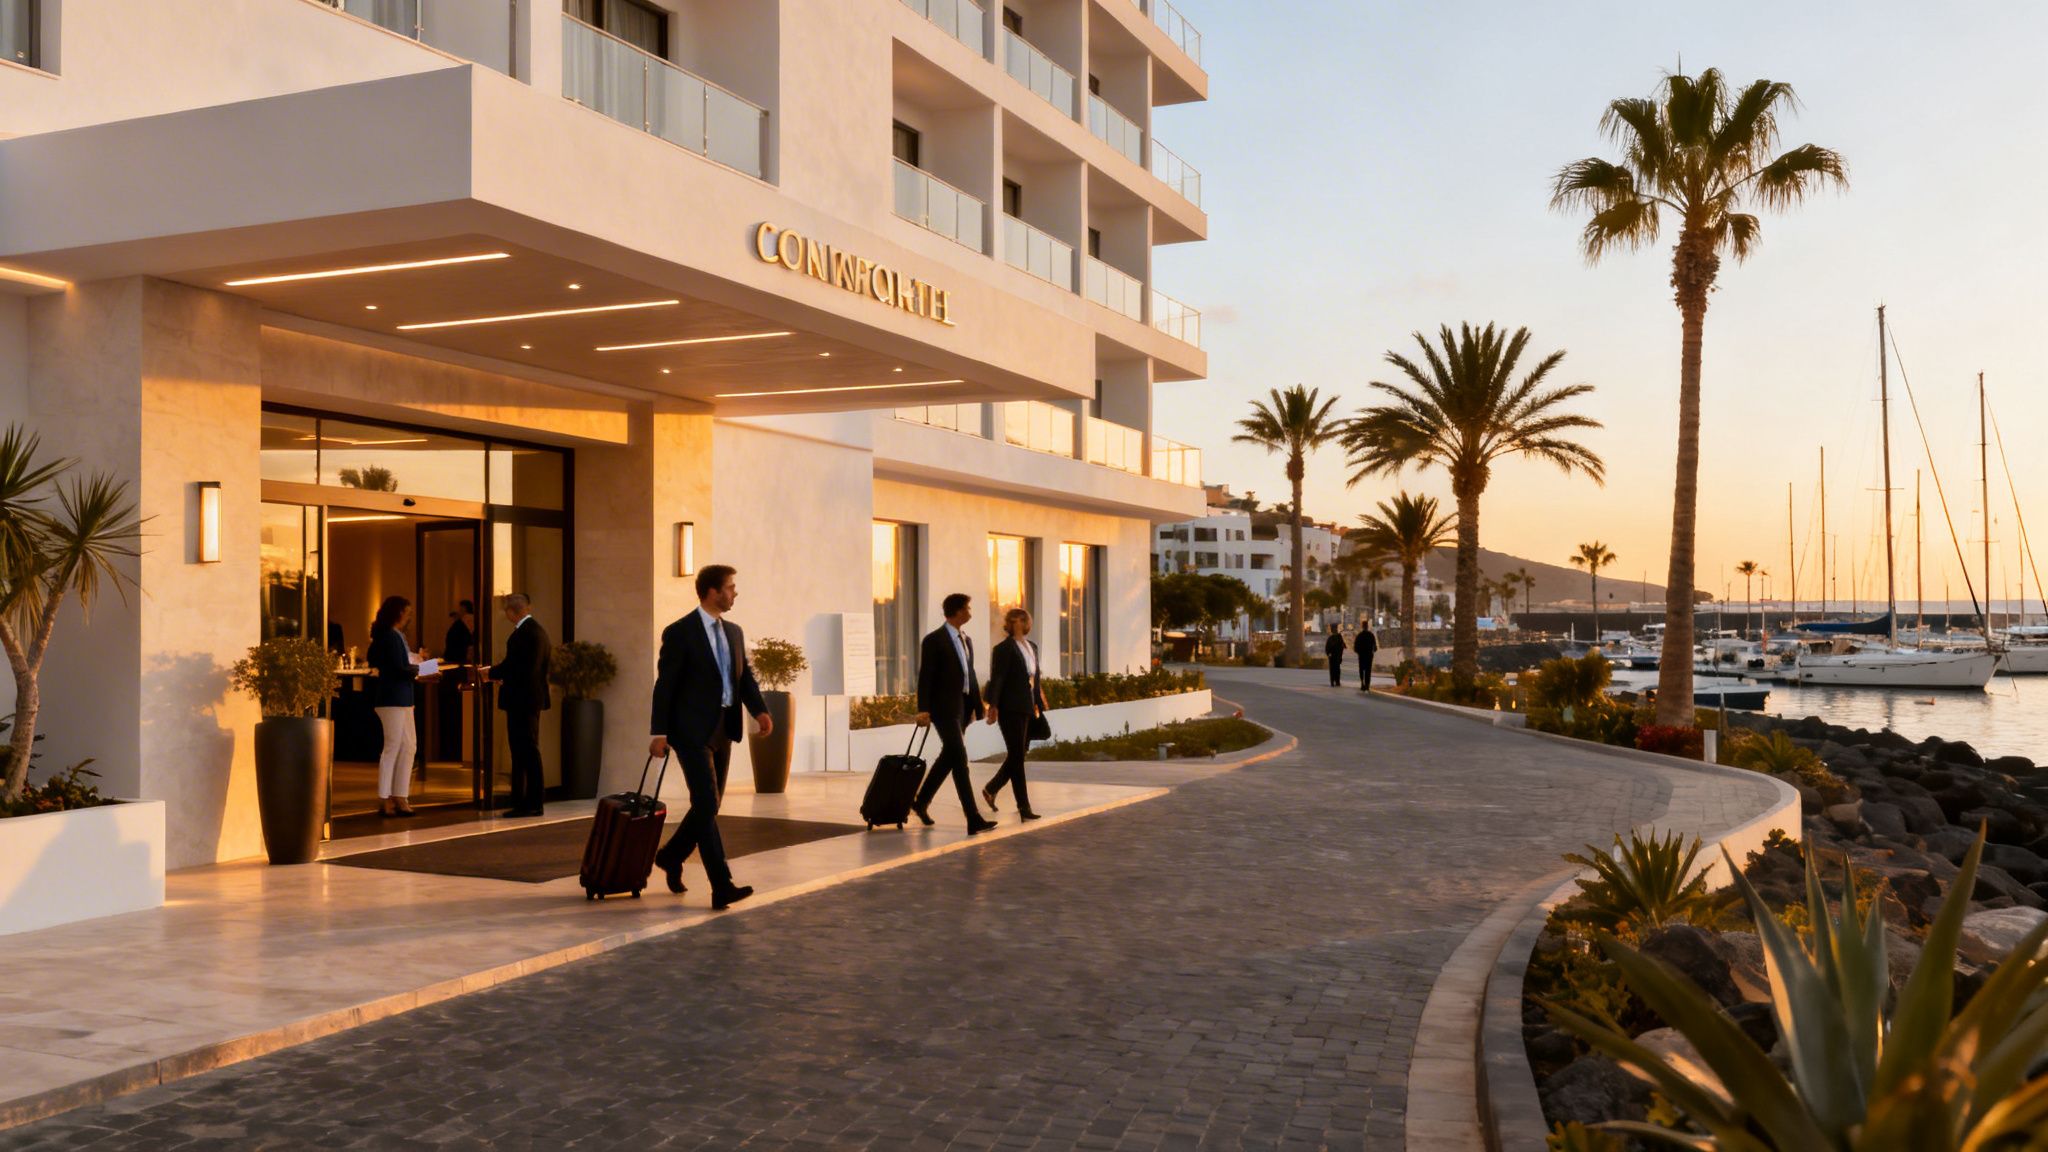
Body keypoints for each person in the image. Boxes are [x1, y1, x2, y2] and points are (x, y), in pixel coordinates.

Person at [649, 564, 770, 910]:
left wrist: (760, 710)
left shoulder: (734, 631)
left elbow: (744, 678)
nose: (735, 593)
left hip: (723, 728)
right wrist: (659, 732)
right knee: (705, 803)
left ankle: (671, 857)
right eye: (731, 587)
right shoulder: (680, 632)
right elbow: (665, 685)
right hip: (689, 731)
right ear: (713, 592)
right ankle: (722, 885)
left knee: (710, 805)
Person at [912, 593, 997, 835]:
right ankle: (973, 818)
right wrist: (923, 709)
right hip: (942, 709)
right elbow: (925, 677)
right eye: (968, 608)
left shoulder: (966, 640)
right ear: (958, 611)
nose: (970, 612)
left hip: (961, 707)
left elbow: (968, 675)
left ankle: (920, 802)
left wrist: (977, 708)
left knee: (948, 757)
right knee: (960, 760)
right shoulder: (934, 640)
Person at [488, 592, 553, 817]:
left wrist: (491, 672)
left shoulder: (527, 633)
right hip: (527, 699)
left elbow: (518, 667)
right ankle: (524, 800)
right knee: (525, 750)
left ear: (511, 611)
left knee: (525, 750)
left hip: (522, 700)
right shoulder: (536, 631)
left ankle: (531, 802)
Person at [367, 595, 432, 817]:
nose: (409, 616)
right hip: (393, 698)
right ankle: (386, 797)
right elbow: (399, 667)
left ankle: (399, 795)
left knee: (408, 745)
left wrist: (419, 665)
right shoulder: (390, 637)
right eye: (407, 612)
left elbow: (402, 663)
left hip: (400, 698)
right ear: (398, 613)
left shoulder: (392, 636)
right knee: (394, 746)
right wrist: (425, 670)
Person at [981, 607, 1046, 822]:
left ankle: (991, 789)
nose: (1020, 622)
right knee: (1017, 755)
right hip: (1009, 707)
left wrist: (1038, 702)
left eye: (1023, 618)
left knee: (1018, 754)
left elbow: (1035, 678)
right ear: (1009, 623)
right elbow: (997, 678)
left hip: (1027, 706)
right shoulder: (1003, 649)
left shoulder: (1032, 647)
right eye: (1015, 619)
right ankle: (1023, 807)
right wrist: (993, 706)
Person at [437, 599, 477, 761]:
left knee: (453, 713)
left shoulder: (459, 627)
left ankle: (451, 751)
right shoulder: (462, 628)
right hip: (457, 671)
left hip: (455, 672)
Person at [1356, 626, 1380, 692]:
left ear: (1362, 627)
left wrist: (1358, 652)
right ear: (1367, 627)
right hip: (1369, 655)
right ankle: (1367, 685)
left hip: (1361, 655)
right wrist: (1372, 650)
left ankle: (1362, 683)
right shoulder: (1371, 635)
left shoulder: (1360, 635)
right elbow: (1375, 647)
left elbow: (1356, 646)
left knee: (1361, 670)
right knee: (1368, 670)